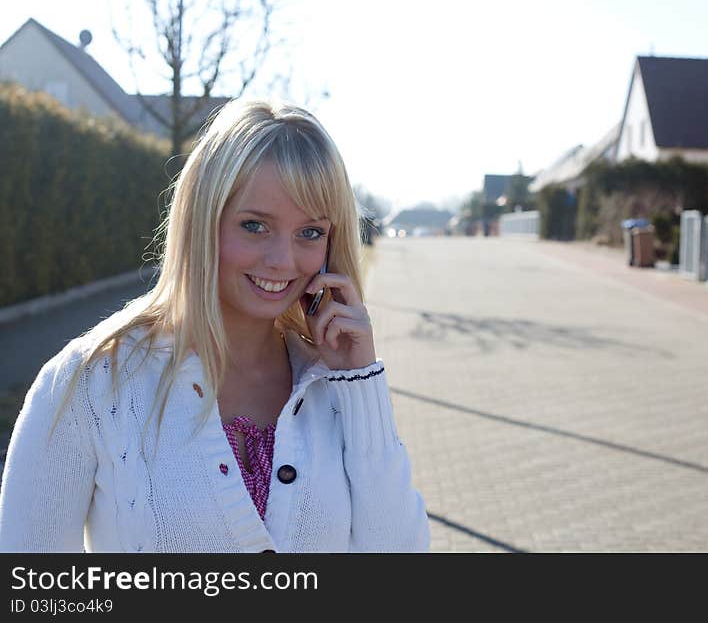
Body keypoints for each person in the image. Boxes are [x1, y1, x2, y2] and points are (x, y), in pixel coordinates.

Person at [0, 99, 430, 553]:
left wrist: (360, 382)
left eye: (310, 232)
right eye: (254, 226)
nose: (283, 260)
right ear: (203, 220)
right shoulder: (88, 384)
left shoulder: (334, 384)